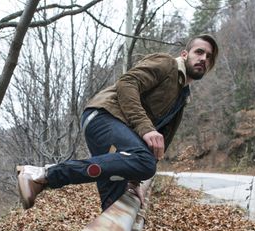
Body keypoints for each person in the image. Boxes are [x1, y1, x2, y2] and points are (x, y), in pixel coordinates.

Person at [16, 34, 218, 211]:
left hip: (121, 135)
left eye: (209, 57)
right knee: (146, 163)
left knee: (114, 203)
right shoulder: (167, 64)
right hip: (104, 115)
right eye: (199, 52)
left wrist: (134, 177)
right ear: (185, 54)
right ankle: (43, 174)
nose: (203, 59)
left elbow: (158, 143)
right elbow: (127, 83)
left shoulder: (181, 97)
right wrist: (145, 130)